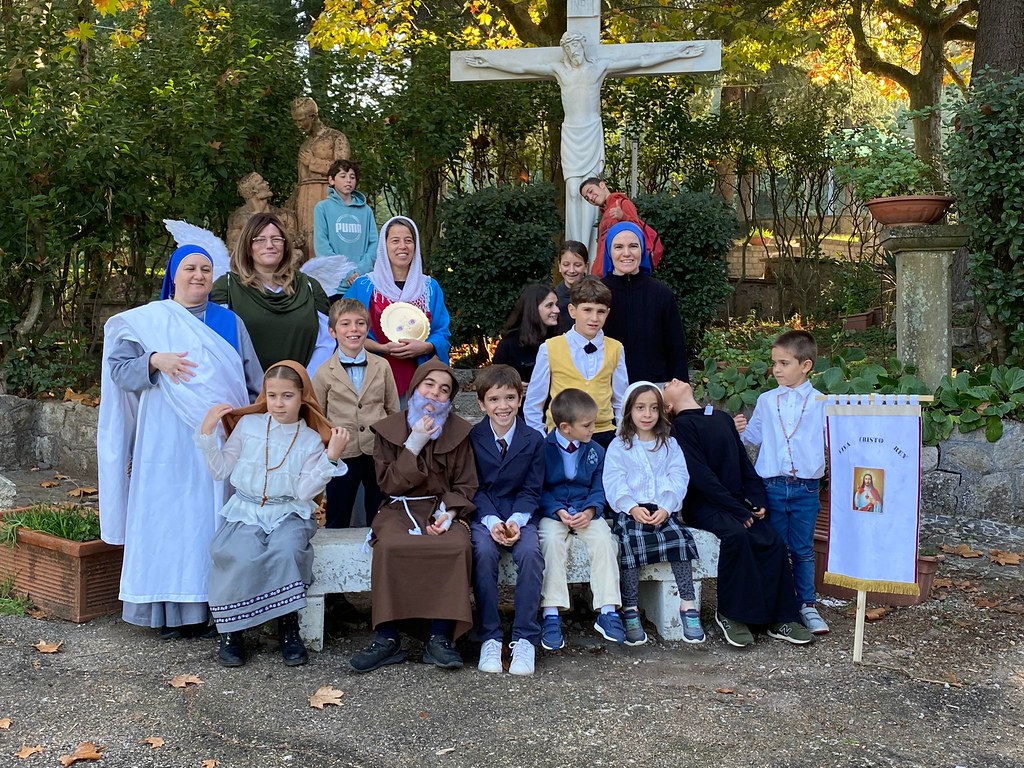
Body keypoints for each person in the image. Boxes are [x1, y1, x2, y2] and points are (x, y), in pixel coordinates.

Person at [98, 244, 262, 639]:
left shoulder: (230, 322)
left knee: (209, 521)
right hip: (163, 441)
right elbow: (119, 372)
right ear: (173, 274)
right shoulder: (147, 323)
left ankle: (211, 611)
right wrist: (154, 360)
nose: (198, 275)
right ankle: (166, 613)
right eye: (190, 268)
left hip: (216, 441)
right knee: (166, 523)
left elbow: (252, 381)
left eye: (206, 269)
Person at [465, 34, 704, 250]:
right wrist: (489, 62)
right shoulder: (560, 70)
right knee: (572, 191)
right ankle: (575, 246)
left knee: (591, 194)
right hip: (571, 132)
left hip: (590, 131)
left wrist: (676, 53)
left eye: (576, 46)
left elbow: (640, 61)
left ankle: (590, 249)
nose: (573, 52)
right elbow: (521, 66)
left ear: (583, 47)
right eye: (568, 48)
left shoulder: (598, 67)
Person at [196, 361, 351, 667]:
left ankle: (287, 626)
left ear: (302, 397)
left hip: (289, 511)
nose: (278, 404)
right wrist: (206, 433)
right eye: (272, 395)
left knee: (287, 550)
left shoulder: (308, 439)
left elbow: (306, 491)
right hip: (246, 508)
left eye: (287, 396)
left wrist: (330, 457)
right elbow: (221, 470)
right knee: (237, 553)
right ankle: (233, 630)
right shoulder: (249, 426)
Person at [349, 359, 478, 673]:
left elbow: (465, 483)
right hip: (398, 508)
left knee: (455, 546)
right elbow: (388, 483)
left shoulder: (460, 433)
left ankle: (440, 636)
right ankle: (387, 638)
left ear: (450, 399)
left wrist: (449, 513)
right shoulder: (388, 429)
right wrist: (414, 444)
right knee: (390, 546)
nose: (434, 395)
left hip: (440, 508)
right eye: (429, 386)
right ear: (415, 388)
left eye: (444, 390)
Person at [665, 379, 813, 647]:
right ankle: (731, 614)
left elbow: (744, 463)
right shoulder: (682, 427)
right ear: (668, 405)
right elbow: (701, 476)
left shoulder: (721, 417)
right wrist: (736, 509)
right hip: (704, 506)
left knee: (773, 541)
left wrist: (757, 499)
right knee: (736, 537)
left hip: (735, 504)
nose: (674, 379)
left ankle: (781, 617)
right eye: (667, 385)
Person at [739, 329, 829, 635]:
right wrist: (738, 428)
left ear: (805, 366)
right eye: (774, 363)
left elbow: (834, 440)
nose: (776, 369)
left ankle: (807, 604)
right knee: (775, 545)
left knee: (802, 548)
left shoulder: (822, 403)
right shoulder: (766, 400)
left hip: (806, 488)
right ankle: (778, 603)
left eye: (783, 363)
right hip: (772, 486)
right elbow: (754, 437)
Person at [603, 382, 705, 644]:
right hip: (631, 512)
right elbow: (614, 481)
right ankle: (630, 608)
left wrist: (667, 506)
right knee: (630, 546)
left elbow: (678, 476)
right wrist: (631, 506)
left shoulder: (669, 444)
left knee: (680, 540)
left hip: (662, 510)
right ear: (628, 411)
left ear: (661, 412)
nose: (647, 414)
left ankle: (687, 604)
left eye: (653, 408)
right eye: (640, 408)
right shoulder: (619, 445)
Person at [469, 365, 546, 676]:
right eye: (494, 399)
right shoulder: (472, 437)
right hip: (483, 514)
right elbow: (472, 485)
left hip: (521, 513)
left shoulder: (534, 439)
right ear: (481, 404)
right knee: (483, 553)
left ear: (521, 397)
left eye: (510, 398)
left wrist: (516, 520)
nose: (503, 406)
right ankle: (489, 634)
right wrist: (490, 521)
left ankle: (525, 637)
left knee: (530, 553)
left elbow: (533, 487)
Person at [537, 388, 624, 650]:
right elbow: (538, 489)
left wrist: (590, 510)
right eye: (587, 425)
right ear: (565, 428)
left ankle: (608, 610)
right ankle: (551, 612)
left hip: (586, 511)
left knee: (604, 541)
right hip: (554, 512)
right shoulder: (542, 449)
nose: (592, 429)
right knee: (550, 540)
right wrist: (557, 511)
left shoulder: (595, 449)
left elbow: (600, 486)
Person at [312, 299, 400, 528]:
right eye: (345, 324)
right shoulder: (323, 373)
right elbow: (318, 416)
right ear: (332, 331)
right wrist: (327, 448)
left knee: (379, 511)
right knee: (339, 512)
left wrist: (391, 447)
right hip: (343, 451)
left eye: (360, 323)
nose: (354, 329)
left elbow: (392, 408)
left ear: (368, 329)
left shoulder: (382, 366)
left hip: (376, 450)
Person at [211, 212, 331, 372]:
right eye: (260, 240)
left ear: (285, 245)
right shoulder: (226, 288)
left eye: (276, 239)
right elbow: (218, 346)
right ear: (248, 246)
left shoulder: (309, 287)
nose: (269, 245)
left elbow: (325, 343)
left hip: (301, 388)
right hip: (246, 390)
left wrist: (301, 382)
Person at [347, 216, 451, 399]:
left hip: (420, 382)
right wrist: (381, 348)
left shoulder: (429, 288)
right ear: (384, 246)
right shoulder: (363, 286)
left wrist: (425, 347)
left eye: (408, 240)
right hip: (370, 380)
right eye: (395, 240)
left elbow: (442, 333)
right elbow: (345, 331)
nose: (402, 246)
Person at [524, 276, 627, 449]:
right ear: (572, 311)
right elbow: (534, 402)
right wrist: (542, 438)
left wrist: (620, 435)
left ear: (607, 313)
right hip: (562, 433)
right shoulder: (550, 348)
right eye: (587, 310)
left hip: (604, 434)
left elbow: (621, 400)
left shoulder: (616, 348)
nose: (594, 318)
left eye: (600, 311)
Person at [600, 221, 688, 384]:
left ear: (642, 250)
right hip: (606, 389)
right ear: (609, 252)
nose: (626, 253)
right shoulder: (597, 293)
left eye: (633, 246)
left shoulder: (661, 294)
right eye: (618, 247)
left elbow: (675, 349)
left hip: (654, 388)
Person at [291, 96, 351, 258]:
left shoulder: (335, 137)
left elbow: (343, 171)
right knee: (307, 243)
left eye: (301, 120)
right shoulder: (305, 145)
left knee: (327, 239)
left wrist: (314, 162)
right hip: (305, 198)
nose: (298, 125)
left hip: (327, 194)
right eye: (296, 121)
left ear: (313, 116)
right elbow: (300, 180)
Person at [312, 159, 379, 299]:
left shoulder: (366, 211)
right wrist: (347, 273)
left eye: (352, 177)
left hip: (361, 282)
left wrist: (359, 272)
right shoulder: (322, 208)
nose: (348, 180)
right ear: (331, 180)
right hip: (332, 286)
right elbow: (322, 246)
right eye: (343, 176)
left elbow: (374, 244)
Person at [579, 177, 660, 275]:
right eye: (587, 198)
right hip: (603, 275)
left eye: (590, 191)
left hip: (618, 273)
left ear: (602, 185)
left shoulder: (622, 203)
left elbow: (637, 235)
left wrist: (623, 216)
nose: (590, 198)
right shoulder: (605, 214)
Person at [492, 283, 561, 386]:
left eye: (556, 304)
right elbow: (495, 379)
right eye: (549, 305)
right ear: (533, 308)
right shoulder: (509, 345)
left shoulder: (560, 339)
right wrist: (513, 386)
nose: (557, 310)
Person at [226, 172, 302, 264]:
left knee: (296, 254)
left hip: (280, 260)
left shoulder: (283, 215)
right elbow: (234, 249)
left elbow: (292, 240)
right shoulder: (239, 218)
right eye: (261, 182)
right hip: (252, 263)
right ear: (253, 190)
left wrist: (296, 240)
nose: (267, 183)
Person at [554, 241, 588, 333]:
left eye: (577, 265)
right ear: (559, 266)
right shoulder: (554, 297)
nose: (571, 270)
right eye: (566, 265)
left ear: (586, 266)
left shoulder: (597, 291)